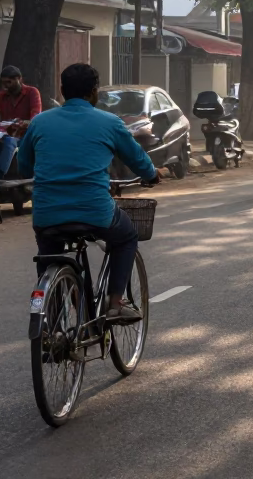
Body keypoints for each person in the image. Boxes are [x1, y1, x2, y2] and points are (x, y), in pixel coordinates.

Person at [19, 63, 158, 323]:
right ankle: (115, 303)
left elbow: (25, 166)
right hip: (94, 211)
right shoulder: (109, 122)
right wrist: (152, 175)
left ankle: (49, 322)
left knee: (49, 255)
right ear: (95, 92)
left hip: (47, 213)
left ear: (62, 91)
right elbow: (137, 159)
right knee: (127, 237)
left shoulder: (39, 123)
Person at [0, 65, 43, 175]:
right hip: (4, 134)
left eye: (9, 82)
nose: (5, 86)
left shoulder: (32, 92)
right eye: (3, 83)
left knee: (9, 140)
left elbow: (35, 118)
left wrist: (21, 124)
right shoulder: (1, 96)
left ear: (19, 79)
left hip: (25, 136)